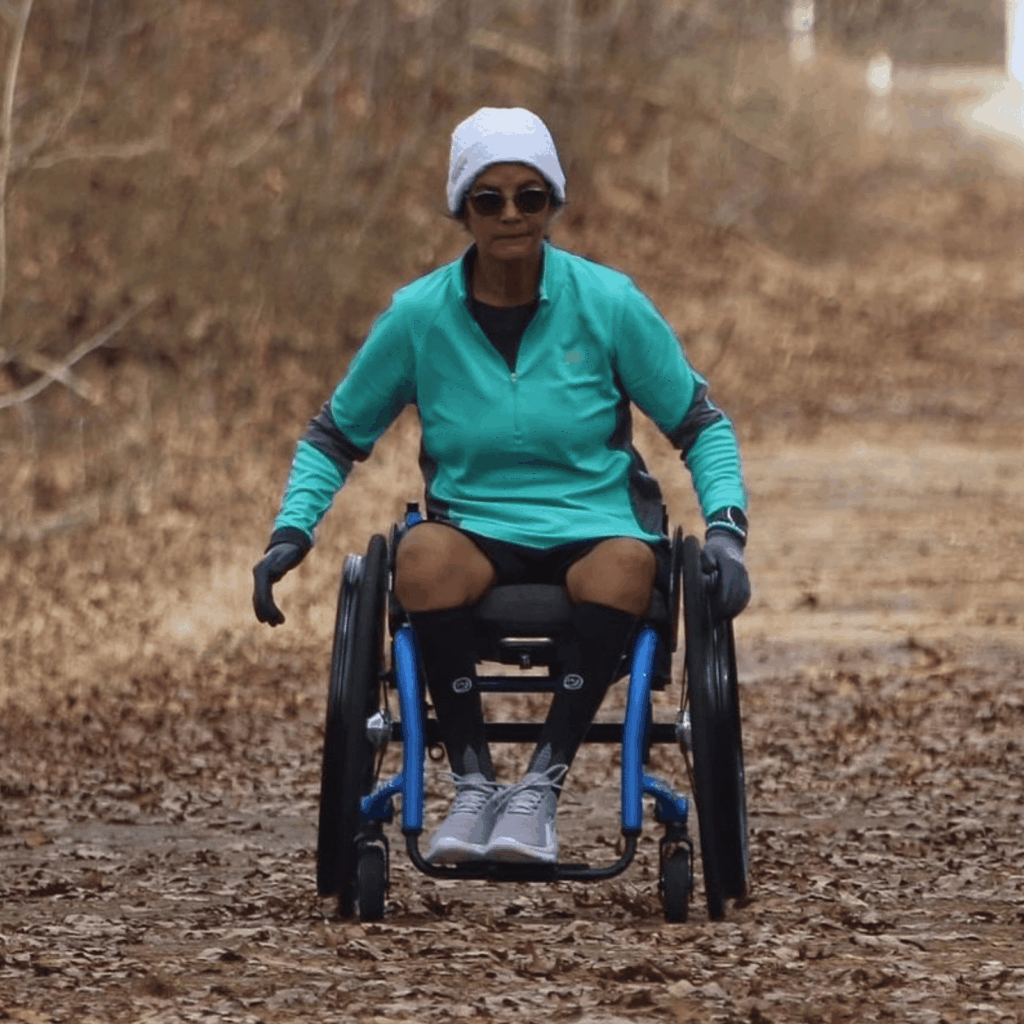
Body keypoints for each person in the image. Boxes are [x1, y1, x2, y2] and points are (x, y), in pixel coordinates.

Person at [252, 107, 750, 867]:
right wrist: (291, 533)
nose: (511, 215)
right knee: (418, 560)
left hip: (594, 523)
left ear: (552, 204)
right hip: (475, 526)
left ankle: (539, 790)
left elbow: (699, 423)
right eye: (489, 199)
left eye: (530, 197)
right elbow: (336, 434)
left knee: (628, 565)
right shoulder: (419, 317)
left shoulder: (608, 303)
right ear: (463, 210)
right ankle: (475, 783)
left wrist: (724, 531)